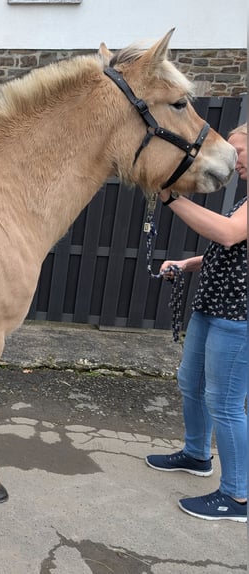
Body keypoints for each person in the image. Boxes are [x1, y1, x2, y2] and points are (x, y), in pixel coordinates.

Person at [145, 122, 247, 522]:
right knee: (192, 381)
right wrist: (188, 263)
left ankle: (236, 498)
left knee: (225, 402)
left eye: (238, 152)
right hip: (213, 305)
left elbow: (227, 234)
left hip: (238, 316)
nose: (233, 162)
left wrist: (171, 200)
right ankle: (196, 453)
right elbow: (235, 249)